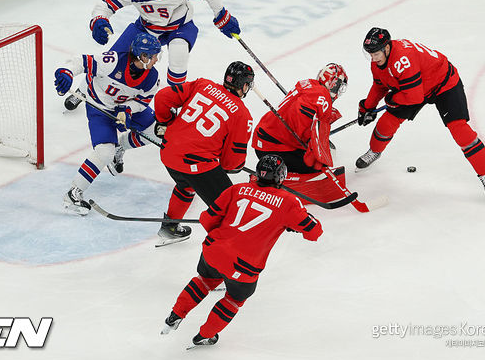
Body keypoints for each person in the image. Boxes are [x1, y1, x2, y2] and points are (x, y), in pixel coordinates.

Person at [160, 154, 323, 347]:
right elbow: (314, 232)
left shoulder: (237, 189)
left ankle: (174, 315)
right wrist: (293, 224)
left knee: (203, 281)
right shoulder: (289, 202)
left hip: (214, 250)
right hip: (244, 266)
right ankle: (205, 335)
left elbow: (207, 219)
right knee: (234, 299)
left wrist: (223, 241)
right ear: (280, 176)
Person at [357, 27, 485, 201]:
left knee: (459, 129)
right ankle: (374, 151)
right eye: (370, 54)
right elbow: (380, 85)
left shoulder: (403, 59)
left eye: (376, 53)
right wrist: (367, 107)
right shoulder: (377, 61)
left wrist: (392, 99)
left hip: (443, 84)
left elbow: (414, 98)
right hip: (415, 87)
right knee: (387, 123)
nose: (373, 58)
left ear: (386, 47)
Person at [88, 0, 239, 88]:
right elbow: (105, 5)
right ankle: (87, 89)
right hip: (148, 28)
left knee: (179, 54)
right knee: (112, 58)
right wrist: (99, 20)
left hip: (180, 26)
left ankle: (174, 98)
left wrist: (222, 15)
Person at [54, 32, 162, 215]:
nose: (156, 60)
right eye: (153, 56)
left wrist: (127, 110)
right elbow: (81, 61)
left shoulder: (152, 77)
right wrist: (66, 72)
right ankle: (73, 194)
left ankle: (121, 147)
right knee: (104, 152)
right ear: (142, 56)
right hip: (99, 108)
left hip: (125, 107)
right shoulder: (112, 62)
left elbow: (143, 101)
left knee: (159, 131)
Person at [152, 61, 254, 246]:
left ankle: (170, 227)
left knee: (186, 184)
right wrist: (222, 159)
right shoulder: (242, 114)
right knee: (229, 206)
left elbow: (162, 97)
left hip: (168, 152)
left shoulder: (202, 84)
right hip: (196, 164)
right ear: (245, 86)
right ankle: (229, 247)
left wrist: (165, 121)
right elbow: (232, 163)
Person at [251, 63, 348, 203]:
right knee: (313, 167)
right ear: (334, 84)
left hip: (262, 138)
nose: (338, 91)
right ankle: (268, 179)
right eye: (339, 86)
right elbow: (303, 125)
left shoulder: (308, 83)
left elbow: (298, 113)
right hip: (271, 148)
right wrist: (317, 158)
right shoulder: (323, 97)